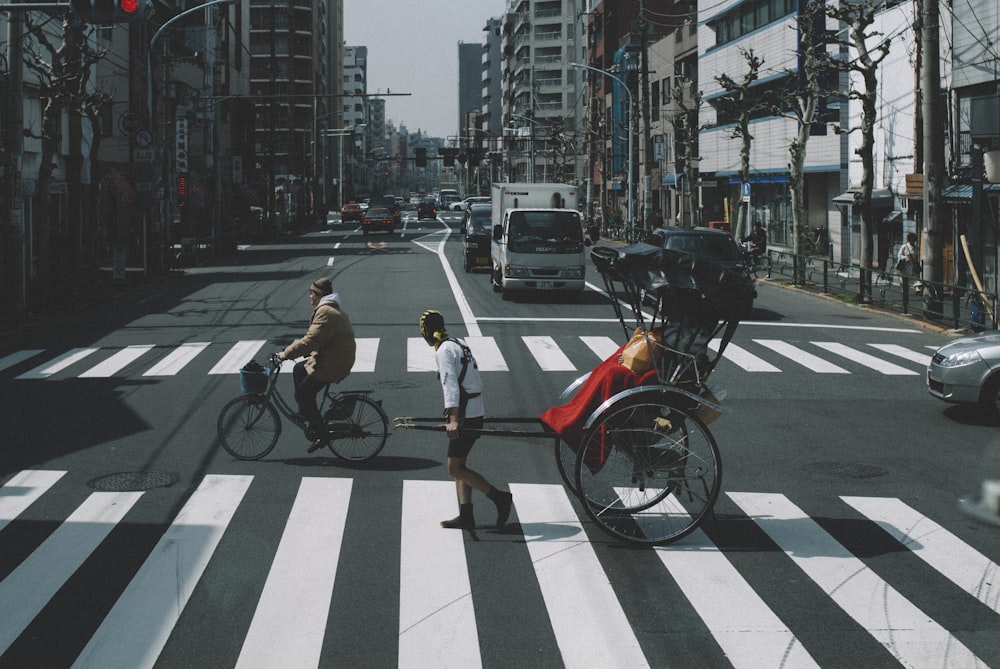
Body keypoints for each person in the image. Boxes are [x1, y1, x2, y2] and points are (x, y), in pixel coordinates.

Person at [419, 309, 513, 531]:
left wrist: (453, 419)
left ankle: (499, 498)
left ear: (426, 332)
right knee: (460, 465)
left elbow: (450, 386)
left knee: (454, 468)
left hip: (466, 414)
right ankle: (467, 514)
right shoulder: (457, 343)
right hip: (472, 410)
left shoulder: (444, 350)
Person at [277, 278, 356, 452]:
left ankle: (322, 433)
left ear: (320, 295)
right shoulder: (329, 309)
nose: (309, 296)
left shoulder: (326, 312)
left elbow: (311, 340)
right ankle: (305, 412)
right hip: (332, 356)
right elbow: (319, 339)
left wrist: (286, 354)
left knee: (306, 392)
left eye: (312, 293)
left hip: (334, 362)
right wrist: (296, 352)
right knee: (299, 369)